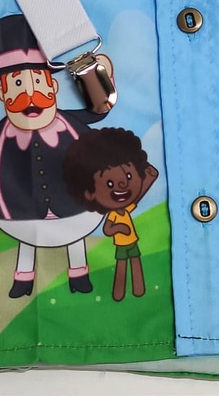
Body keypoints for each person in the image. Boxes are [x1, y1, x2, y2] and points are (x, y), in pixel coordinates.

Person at [0, 14, 114, 297]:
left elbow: (99, 110)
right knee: (26, 238)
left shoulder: (70, 123)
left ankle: (79, 273)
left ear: (53, 88)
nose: (29, 96)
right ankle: (23, 278)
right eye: (17, 85)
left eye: (37, 82)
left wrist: (99, 78)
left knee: (76, 235)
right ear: (3, 94)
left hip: (75, 202)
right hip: (15, 208)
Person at [63, 127, 159, 300]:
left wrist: (149, 179)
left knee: (135, 262)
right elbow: (108, 229)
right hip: (122, 244)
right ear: (90, 194)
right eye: (109, 183)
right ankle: (118, 293)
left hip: (132, 242)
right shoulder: (114, 213)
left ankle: (138, 289)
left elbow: (138, 196)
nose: (122, 185)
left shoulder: (124, 208)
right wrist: (120, 228)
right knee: (121, 265)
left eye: (129, 176)